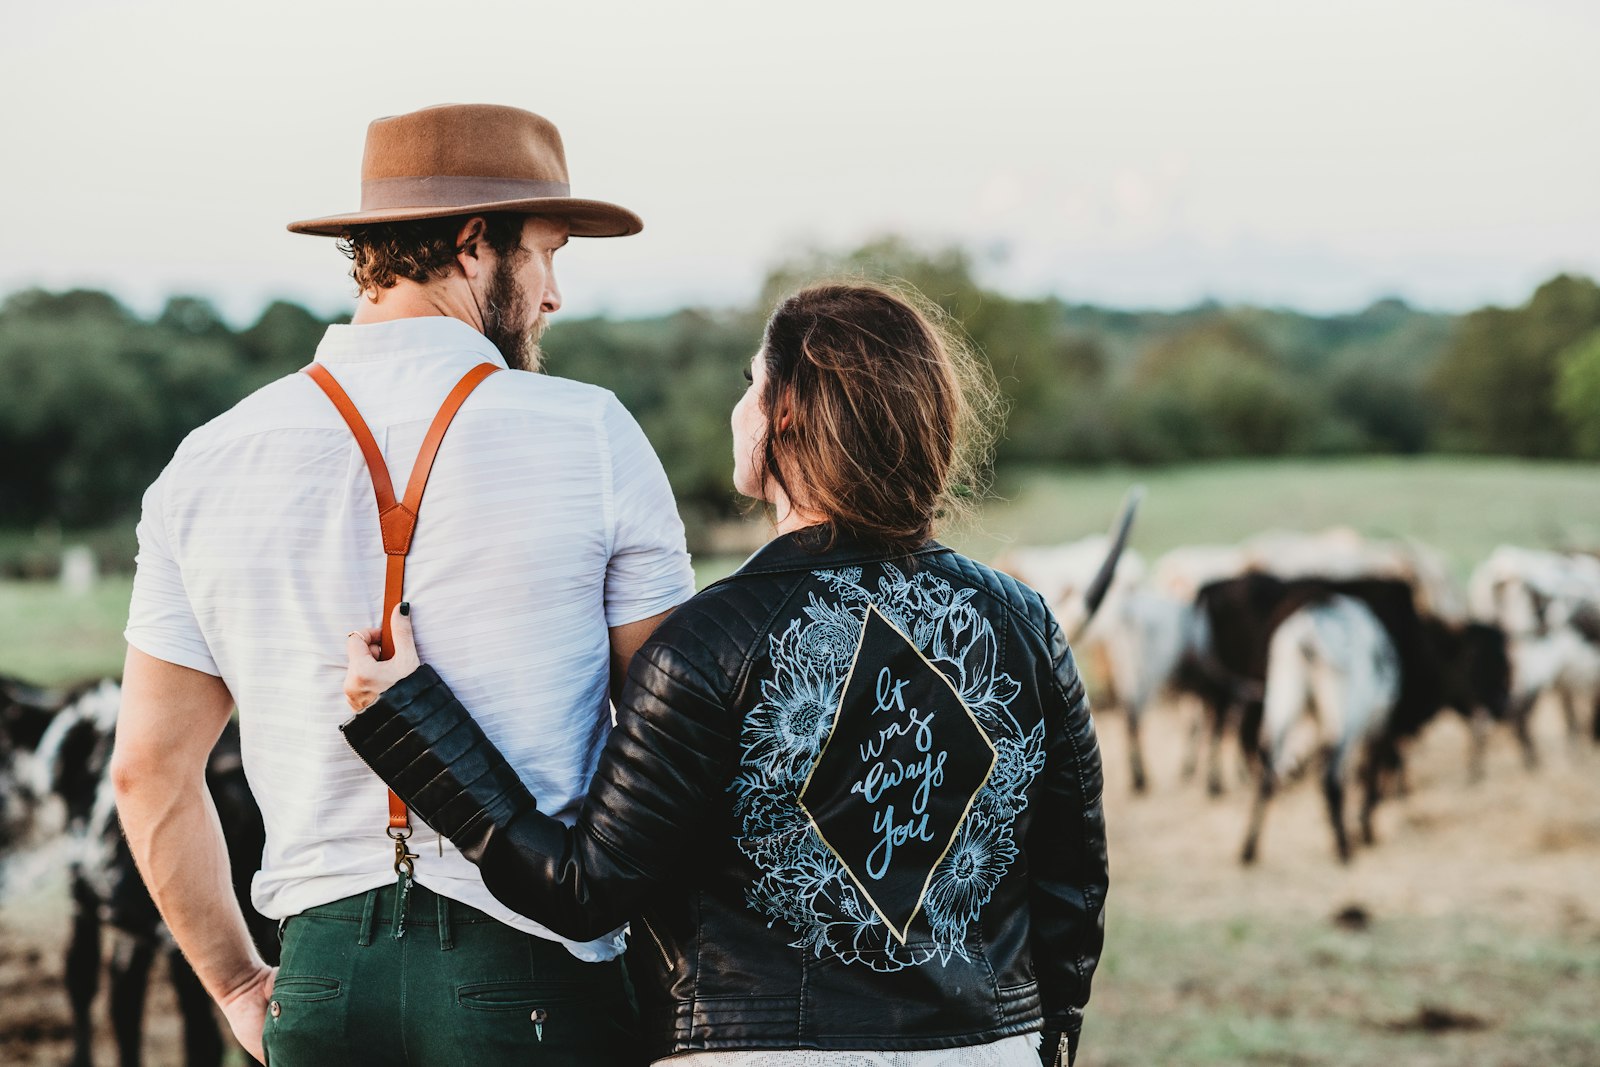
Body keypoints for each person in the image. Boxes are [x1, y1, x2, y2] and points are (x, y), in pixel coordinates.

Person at [340, 283, 1110, 1066]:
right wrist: (1044, 1035)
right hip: (989, 1049)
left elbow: (583, 890)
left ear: (785, 414)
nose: (739, 406)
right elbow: (1071, 887)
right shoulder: (1025, 623)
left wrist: (411, 715)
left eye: (751, 381)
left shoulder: (705, 643)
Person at [112, 103, 695, 1065]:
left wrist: (238, 983)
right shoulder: (589, 434)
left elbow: (148, 772)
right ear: (474, 246)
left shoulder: (205, 463)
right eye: (548, 253)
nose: (554, 296)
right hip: (539, 975)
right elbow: (670, 739)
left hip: (323, 983)